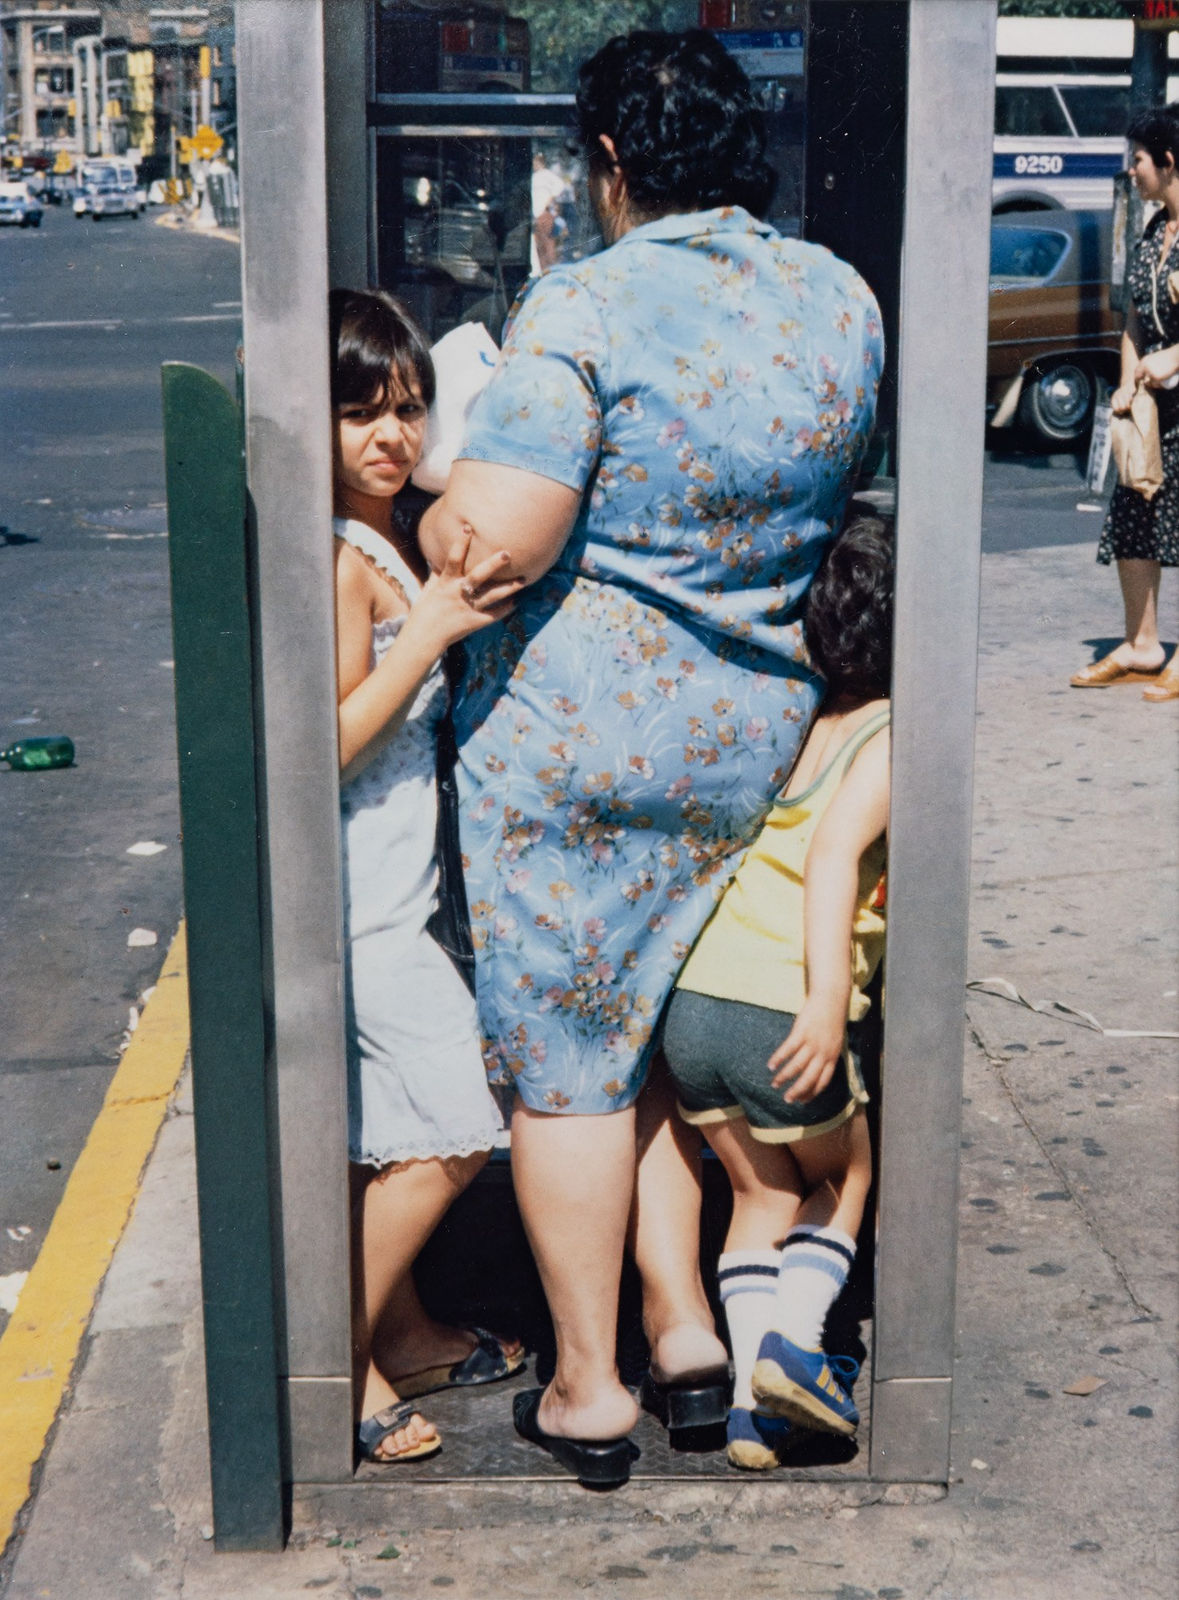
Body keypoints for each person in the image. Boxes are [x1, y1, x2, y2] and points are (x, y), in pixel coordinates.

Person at [419, 30, 883, 1488]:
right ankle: (682, 1324)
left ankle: (587, 1383)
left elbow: (495, 543)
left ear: (610, 162)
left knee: (570, 1061)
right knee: (664, 1032)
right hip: (754, 736)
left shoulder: (586, 302)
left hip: (578, 751)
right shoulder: (837, 297)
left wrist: (437, 492)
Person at [329, 288, 526, 1465]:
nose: (391, 437)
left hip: (402, 896)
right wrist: (427, 635)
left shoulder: (392, 538)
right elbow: (328, 738)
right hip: (360, 906)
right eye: (362, 413)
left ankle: (400, 1334)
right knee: (457, 1123)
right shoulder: (343, 559)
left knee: (404, 1125)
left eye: (407, 410)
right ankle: (335, 1349)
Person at [662, 511, 891, 1469]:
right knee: (845, 1176)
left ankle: (753, 1417)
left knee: (759, 1194)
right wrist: (826, 1002)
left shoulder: (803, 721)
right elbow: (833, 857)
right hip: (776, 1006)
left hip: (696, 1006)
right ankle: (796, 1349)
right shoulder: (891, 734)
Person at [1071, 105, 1179, 701]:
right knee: (1133, 518)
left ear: (1168, 161)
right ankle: (1142, 644)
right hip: (1153, 411)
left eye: (1138, 160)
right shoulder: (1154, 231)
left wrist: (1174, 358)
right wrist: (1125, 381)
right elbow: (1136, 320)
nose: (1131, 171)